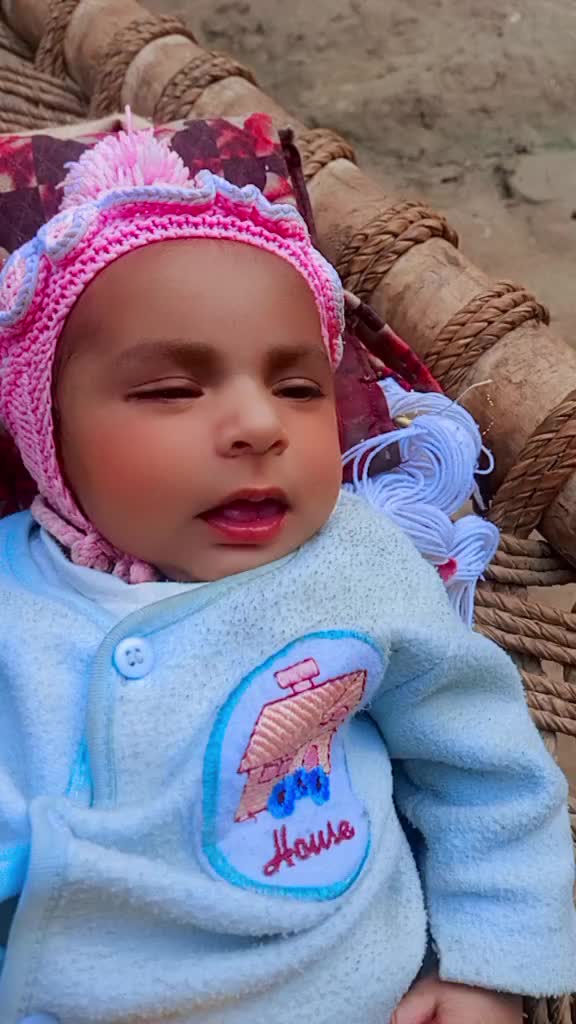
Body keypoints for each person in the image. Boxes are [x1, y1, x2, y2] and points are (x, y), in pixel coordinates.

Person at [0, 123, 574, 1024]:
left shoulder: (359, 569)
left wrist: (489, 965)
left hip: (342, 986)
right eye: (172, 390)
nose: (260, 427)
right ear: (47, 430)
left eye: (299, 388)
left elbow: (486, 770)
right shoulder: (15, 598)